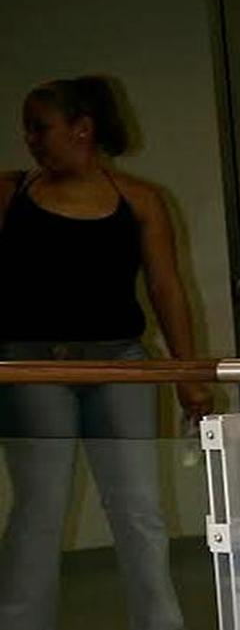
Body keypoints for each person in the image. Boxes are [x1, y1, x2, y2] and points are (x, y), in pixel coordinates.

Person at [0, 76, 210, 629]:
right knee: (38, 510)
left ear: (82, 129)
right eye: (27, 128)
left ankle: (159, 624)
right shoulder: (9, 193)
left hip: (120, 364)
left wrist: (187, 375)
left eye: (39, 127)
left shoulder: (139, 200)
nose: (31, 139)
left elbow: (167, 289)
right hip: (32, 368)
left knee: (139, 508)